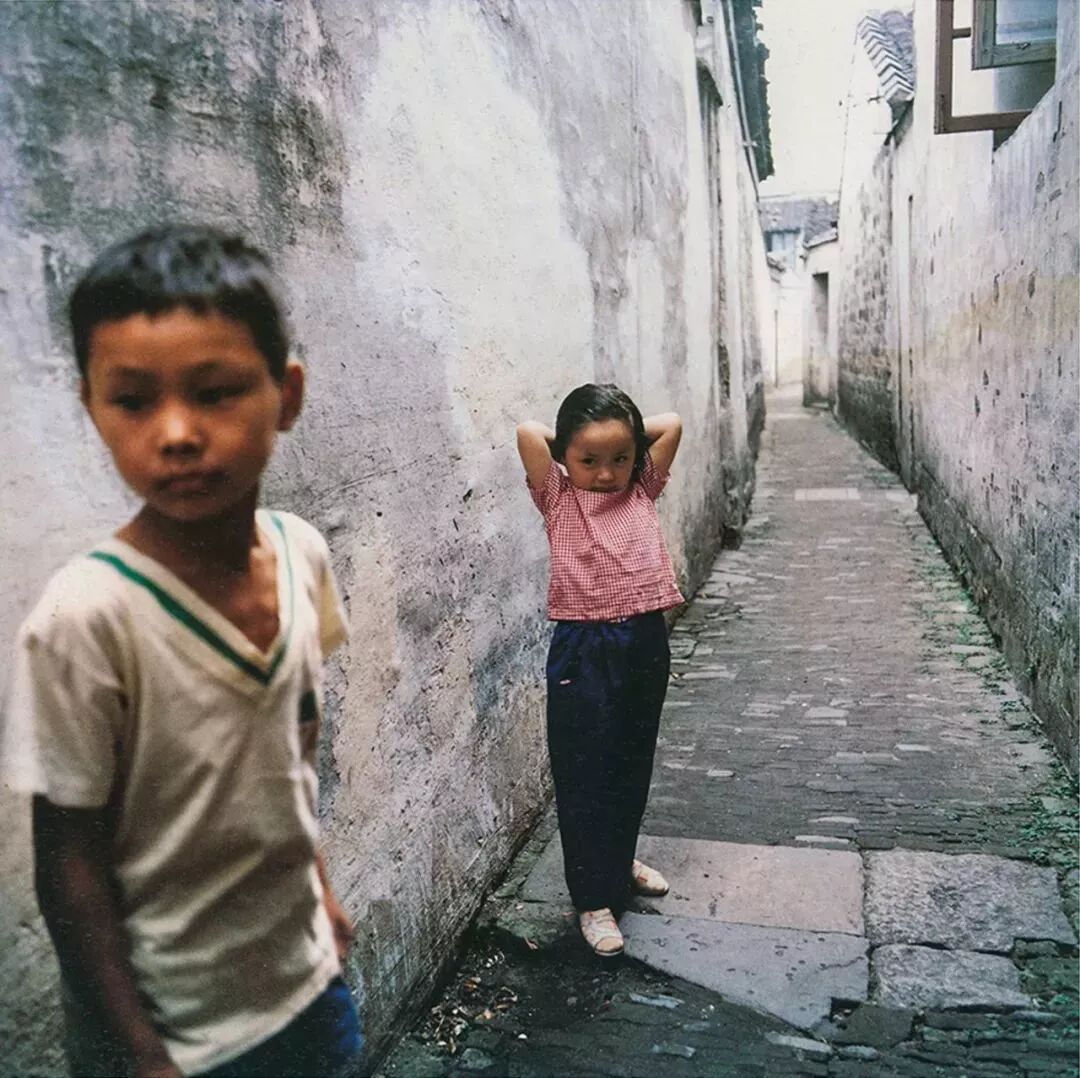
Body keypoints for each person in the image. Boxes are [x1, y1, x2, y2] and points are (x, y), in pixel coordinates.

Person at [1, 226, 362, 1077]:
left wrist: (320, 887)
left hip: (309, 986)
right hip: (181, 1035)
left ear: (286, 395)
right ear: (92, 407)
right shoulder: (86, 620)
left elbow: (289, 749)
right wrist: (143, 1054)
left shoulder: (302, 552)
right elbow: (69, 862)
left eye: (216, 392)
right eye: (132, 401)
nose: (175, 433)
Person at [516, 384, 684, 958]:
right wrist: (569, 448)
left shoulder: (642, 487)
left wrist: (622, 440)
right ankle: (592, 899)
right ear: (566, 456)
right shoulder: (558, 497)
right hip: (583, 646)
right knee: (584, 769)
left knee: (631, 759)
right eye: (589, 460)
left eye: (620, 458)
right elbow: (526, 433)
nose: (606, 474)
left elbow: (672, 423)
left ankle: (617, 861)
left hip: (643, 639)